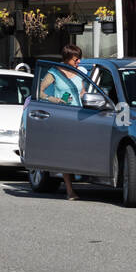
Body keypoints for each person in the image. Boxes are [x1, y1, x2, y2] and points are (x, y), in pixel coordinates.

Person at [36, 44, 85, 200]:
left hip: (81, 115)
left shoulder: (79, 72)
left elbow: (83, 91)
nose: (79, 61)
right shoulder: (54, 72)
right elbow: (39, 91)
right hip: (63, 115)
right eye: (76, 59)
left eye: (79, 58)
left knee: (79, 149)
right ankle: (70, 190)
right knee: (67, 152)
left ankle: (78, 176)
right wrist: (53, 99)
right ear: (68, 58)